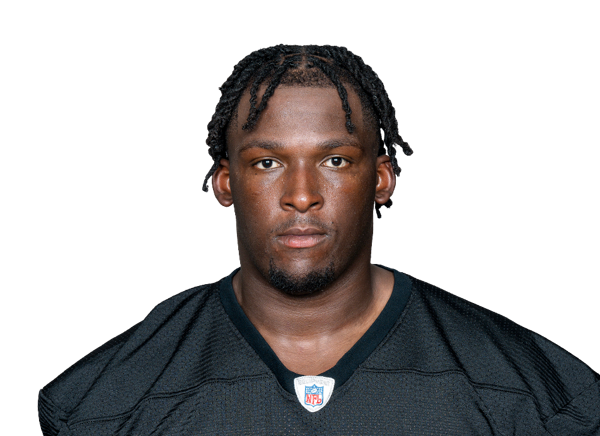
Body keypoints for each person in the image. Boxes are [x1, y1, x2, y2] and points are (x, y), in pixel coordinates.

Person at [38, 44, 599, 435]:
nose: (301, 195)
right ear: (225, 183)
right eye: (267, 163)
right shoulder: (102, 404)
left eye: (335, 160)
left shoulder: (531, 396)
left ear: (381, 179)